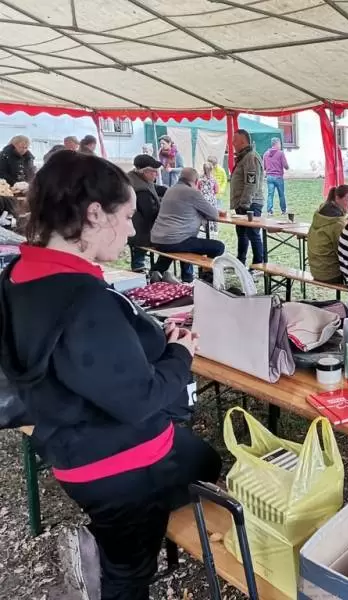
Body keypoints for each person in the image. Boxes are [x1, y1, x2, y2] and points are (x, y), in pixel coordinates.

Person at [0, 150, 221, 600]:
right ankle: (104, 564)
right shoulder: (85, 301)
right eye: (126, 217)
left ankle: (112, 542)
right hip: (120, 464)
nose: (132, 230)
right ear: (94, 214)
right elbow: (139, 399)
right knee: (129, 575)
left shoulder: (19, 274)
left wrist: (148, 341)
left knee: (204, 461)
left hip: (70, 444)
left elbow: (82, 360)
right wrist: (179, 354)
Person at [149, 168, 225, 283]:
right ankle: (206, 276)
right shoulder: (192, 193)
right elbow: (214, 214)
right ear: (196, 181)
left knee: (183, 243)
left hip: (157, 238)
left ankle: (158, 271)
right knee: (218, 247)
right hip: (176, 240)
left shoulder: (170, 190)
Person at [309, 184, 348, 316]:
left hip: (316, 269)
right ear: (337, 198)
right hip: (329, 273)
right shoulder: (337, 223)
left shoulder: (321, 213)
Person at [229, 129, 265, 267]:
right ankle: (240, 262)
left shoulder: (251, 157)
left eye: (235, 140)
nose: (232, 143)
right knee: (242, 234)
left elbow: (251, 183)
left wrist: (244, 203)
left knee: (253, 233)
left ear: (243, 141)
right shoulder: (243, 157)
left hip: (251, 204)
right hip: (243, 203)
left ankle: (258, 264)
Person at [128, 154, 165, 274]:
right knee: (173, 245)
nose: (156, 174)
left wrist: (170, 191)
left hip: (136, 230)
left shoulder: (135, 178)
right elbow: (150, 213)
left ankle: (148, 269)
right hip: (141, 234)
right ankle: (146, 271)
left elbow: (154, 188)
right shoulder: (141, 191)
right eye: (154, 171)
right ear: (144, 172)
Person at [264, 137, 289, 216]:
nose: (280, 145)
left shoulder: (266, 154)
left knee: (270, 195)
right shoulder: (280, 153)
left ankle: (269, 211)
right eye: (280, 143)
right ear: (277, 144)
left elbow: (264, 166)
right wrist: (287, 167)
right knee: (281, 194)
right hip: (278, 177)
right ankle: (283, 210)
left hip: (269, 177)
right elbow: (285, 165)